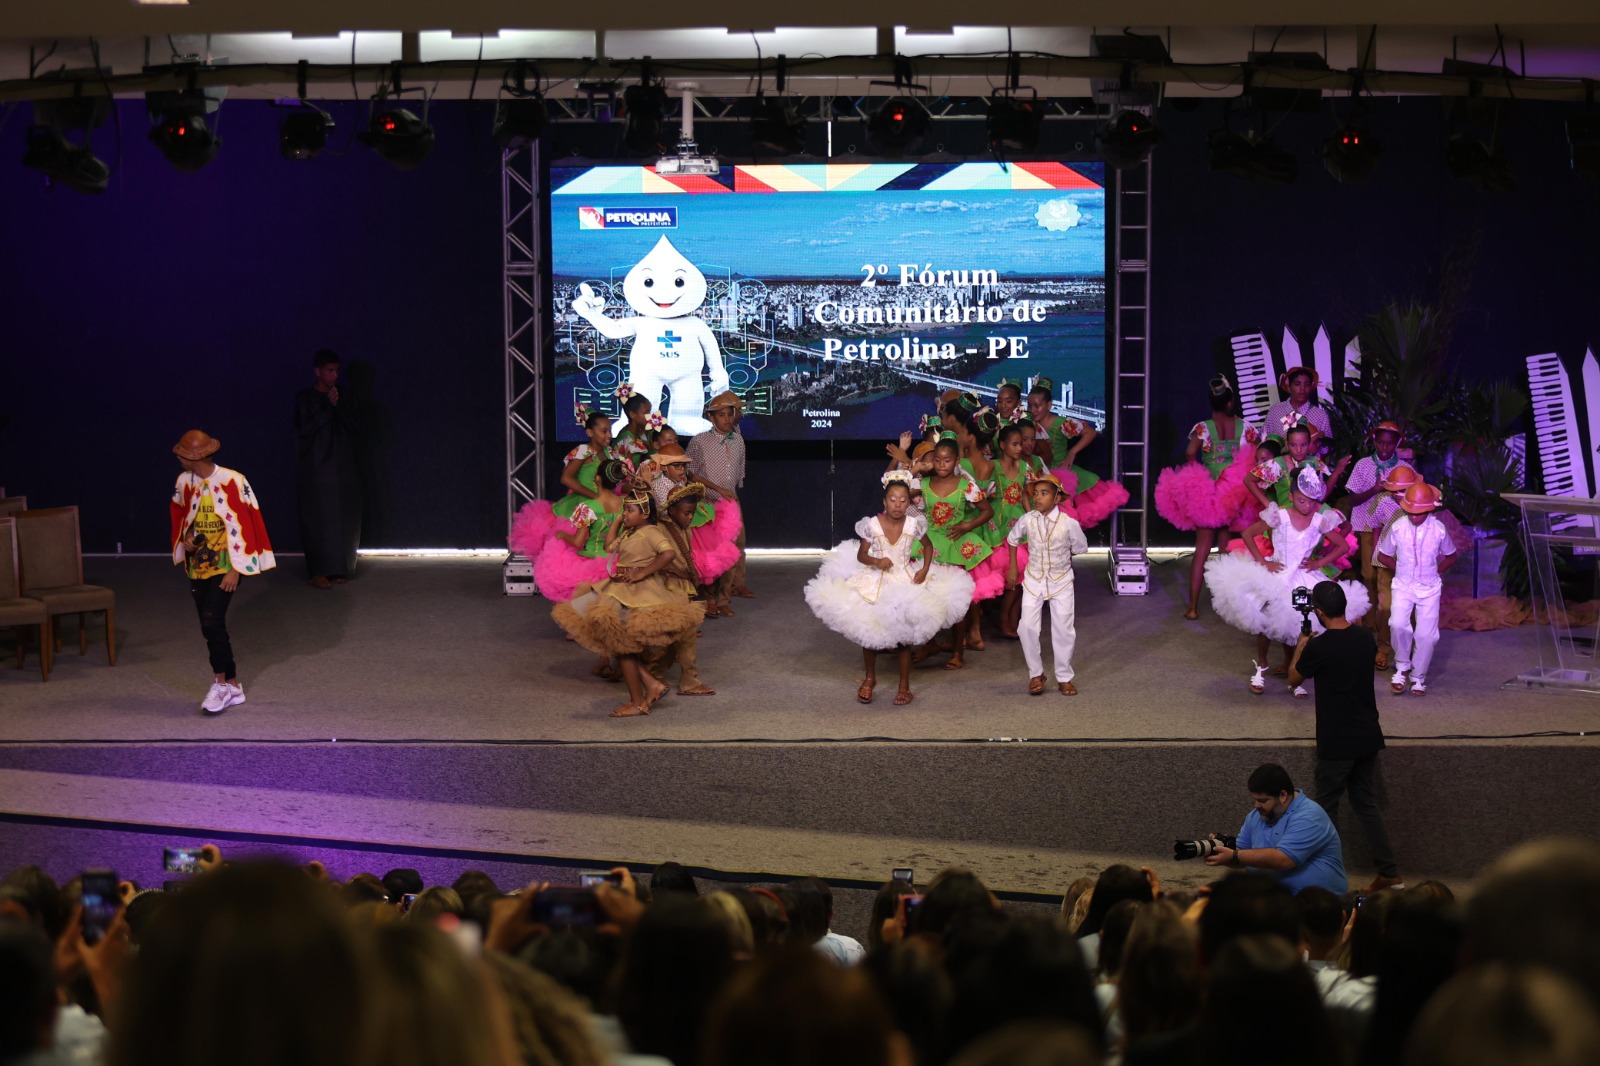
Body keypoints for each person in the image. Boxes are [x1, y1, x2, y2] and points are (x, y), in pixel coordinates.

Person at [804, 471, 973, 706]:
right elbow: (862, 555)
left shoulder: (914, 524)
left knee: (903, 637)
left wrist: (924, 570)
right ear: (884, 502)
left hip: (904, 580)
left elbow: (927, 546)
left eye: (903, 500)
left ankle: (904, 687)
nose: (897, 505)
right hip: (877, 580)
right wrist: (876, 561)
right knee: (869, 631)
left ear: (909, 503)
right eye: (892, 500)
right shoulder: (873, 525)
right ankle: (869, 677)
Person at [1204, 465, 1368, 697]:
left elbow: (1342, 545)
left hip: (1302, 578)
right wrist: (1263, 562)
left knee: (1298, 626)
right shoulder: (1279, 516)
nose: (1307, 506)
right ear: (1291, 497)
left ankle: (1295, 674)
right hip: (1276, 576)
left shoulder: (1319, 521)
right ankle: (1261, 666)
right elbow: (1248, 534)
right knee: (1265, 623)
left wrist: (1318, 564)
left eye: (1312, 501)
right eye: (1301, 500)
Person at [1289, 581, 1406, 892]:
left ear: (1318, 612)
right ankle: (1389, 873)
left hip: (1337, 738)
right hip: (1367, 733)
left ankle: (1327, 874)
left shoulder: (1320, 646)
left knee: (1326, 806)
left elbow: (1293, 678)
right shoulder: (1365, 639)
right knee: (1365, 803)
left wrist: (1302, 643)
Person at [551, 487, 705, 718]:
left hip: (636, 593)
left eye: (630, 510)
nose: (625, 513)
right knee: (593, 618)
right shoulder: (630, 532)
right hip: (617, 588)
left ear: (644, 513)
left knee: (622, 645)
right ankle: (650, 685)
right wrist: (618, 522)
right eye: (624, 509)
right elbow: (608, 547)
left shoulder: (651, 531)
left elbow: (668, 554)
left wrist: (643, 572)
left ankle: (639, 701)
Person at [169, 429, 276, 715]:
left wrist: (235, 570)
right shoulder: (184, 482)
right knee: (209, 626)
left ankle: (219, 685)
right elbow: (182, 517)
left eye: (182, 453)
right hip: (198, 565)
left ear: (196, 456)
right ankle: (234, 686)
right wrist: (188, 538)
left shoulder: (233, 480)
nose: (177, 456)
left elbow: (246, 524)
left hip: (225, 567)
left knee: (212, 622)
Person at [1154, 374, 1258, 620]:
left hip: (1210, 494)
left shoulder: (1203, 428)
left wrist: (1201, 471)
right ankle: (1228, 605)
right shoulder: (1247, 428)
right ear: (1231, 403)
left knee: (1201, 550)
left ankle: (1192, 607)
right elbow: (1256, 455)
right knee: (1225, 548)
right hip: (1236, 493)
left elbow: (1190, 452)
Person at [914, 434, 999, 670]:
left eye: (947, 460)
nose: (942, 465)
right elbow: (894, 487)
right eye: (938, 460)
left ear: (956, 460)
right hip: (930, 545)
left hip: (954, 545)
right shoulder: (924, 484)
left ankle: (957, 651)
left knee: (956, 601)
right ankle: (929, 643)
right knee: (925, 597)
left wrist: (967, 526)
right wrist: (917, 468)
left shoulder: (966, 486)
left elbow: (987, 511)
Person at [1202, 762, 1348, 897]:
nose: (1256, 805)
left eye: (1263, 800)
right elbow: (1243, 856)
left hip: (1316, 901)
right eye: (1254, 799)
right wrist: (1221, 852)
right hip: (1274, 896)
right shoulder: (1256, 816)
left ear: (1283, 795)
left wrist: (1234, 855)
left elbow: (1284, 859)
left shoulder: (1309, 815)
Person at [1005, 473, 1088, 696]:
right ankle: (1036, 673)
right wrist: (1013, 566)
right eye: (1036, 494)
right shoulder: (1028, 519)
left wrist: (1062, 555)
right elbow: (1012, 539)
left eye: (1044, 493)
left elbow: (1081, 547)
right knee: (1027, 627)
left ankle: (1064, 676)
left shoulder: (1069, 524)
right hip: (1034, 579)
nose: (1038, 498)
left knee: (1063, 629)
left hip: (1061, 581)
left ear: (1057, 498)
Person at [1343, 425, 1416, 670]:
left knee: (1389, 579)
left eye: (1390, 443)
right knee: (1369, 575)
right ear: (1373, 440)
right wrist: (1374, 489)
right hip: (1368, 525)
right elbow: (1352, 499)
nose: (1385, 448)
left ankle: (1387, 630)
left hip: (1398, 532)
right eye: (1380, 442)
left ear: (1397, 443)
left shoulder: (1405, 469)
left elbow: (1416, 501)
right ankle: (1372, 624)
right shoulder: (1363, 465)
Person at [1377, 481, 1459, 697]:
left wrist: (1436, 571)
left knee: (1427, 635)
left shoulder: (1438, 529)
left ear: (1429, 509)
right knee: (1397, 624)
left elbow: (1452, 556)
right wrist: (1402, 569)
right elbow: (1383, 555)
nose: (1414, 517)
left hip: (1430, 587)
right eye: (1410, 512)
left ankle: (1418, 677)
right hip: (1403, 585)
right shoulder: (1397, 527)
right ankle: (1402, 667)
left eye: (1419, 513)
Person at [293, 349, 362, 589]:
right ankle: (318, 572)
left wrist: (338, 406)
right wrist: (327, 407)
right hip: (315, 466)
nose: (334, 376)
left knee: (340, 517)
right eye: (329, 371)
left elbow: (355, 427)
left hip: (341, 466)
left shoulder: (344, 396)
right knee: (318, 518)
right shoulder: (305, 398)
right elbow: (305, 430)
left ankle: (337, 569)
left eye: (337, 371)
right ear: (318, 371)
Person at [647, 484, 717, 697]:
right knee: (685, 635)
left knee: (678, 636)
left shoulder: (682, 528)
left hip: (682, 587)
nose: (689, 518)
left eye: (692, 513)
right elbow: (655, 558)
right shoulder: (659, 528)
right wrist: (676, 571)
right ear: (671, 511)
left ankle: (653, 672)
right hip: (669, 587)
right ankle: (689, 680)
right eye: (686, 513)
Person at [685, 391, 752, 606]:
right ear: (711, 418)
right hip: (707, 503)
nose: (727, 419)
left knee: (737, 543)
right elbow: (691, 473)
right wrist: (717, 489)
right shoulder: (700, 441)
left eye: (730, 414)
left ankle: (733, 586)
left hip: (730, 502)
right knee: (711, 548)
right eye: (721, 415)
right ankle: (710, 594)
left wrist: (731, 492)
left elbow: (739, 470)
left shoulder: (738, 440)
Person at [1264, 366, 1334, 443]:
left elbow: (1327, 449)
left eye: (1307, 384)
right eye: (1297, 384)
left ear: (1311, 387)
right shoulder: (1275, 411)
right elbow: (1263, 439)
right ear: (1289, 386)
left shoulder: (1321, 416)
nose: (1302, 388)